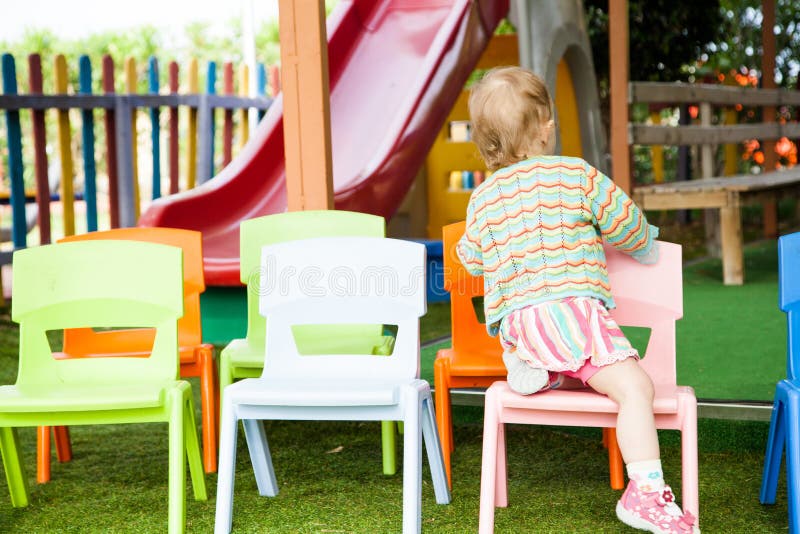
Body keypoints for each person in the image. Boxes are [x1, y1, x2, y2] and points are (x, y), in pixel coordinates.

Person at [456, 66, 698, 534]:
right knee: (636, 389)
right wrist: (646, 243)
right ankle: (645, 493)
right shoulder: (577, 176)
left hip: (522, 326)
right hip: (571, 316)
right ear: (544, 127)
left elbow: (471, 259)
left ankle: (537, 367)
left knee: (564, 353)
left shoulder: (482, 199)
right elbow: (625, 224)